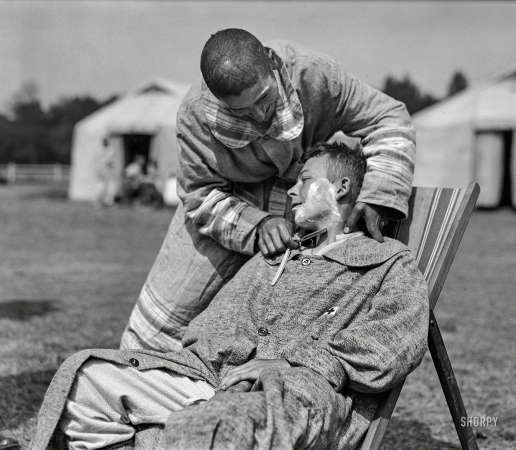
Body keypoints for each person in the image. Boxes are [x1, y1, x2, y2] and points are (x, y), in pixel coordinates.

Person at [30, 142, 428, 450]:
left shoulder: (387, 263)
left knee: (221, 424)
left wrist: (288, 363)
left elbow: (391, 348)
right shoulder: (277, 256)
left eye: (304, 180)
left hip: (299, 396)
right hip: (214, 381)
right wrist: (225, 362)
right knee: (85, 377)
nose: (292, 192)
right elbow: (210, 326)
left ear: (340, 187)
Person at [120, 28, 417, 353]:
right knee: (157, 329)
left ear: (274, 65)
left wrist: (380, 192)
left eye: (264, 99)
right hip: (229, 210)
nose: (260, 115)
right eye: (242, 111)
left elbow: (388, 118)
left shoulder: (314, 74)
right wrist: (256, 224)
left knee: (278, 331)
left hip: (301, 206)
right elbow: (200, 195)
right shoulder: (194, 115)